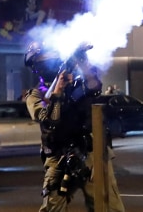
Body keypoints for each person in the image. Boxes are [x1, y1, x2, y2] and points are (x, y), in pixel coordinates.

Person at [24, 41, 125, 212]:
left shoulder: (76, 82)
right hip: (57, 156)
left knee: (108, 206)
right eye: (42, 59)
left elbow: (94, 87)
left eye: (50, 57)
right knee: (53, 207)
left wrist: (83, 62)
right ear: (35, 67)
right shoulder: (35, 95)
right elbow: (49, 121)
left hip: (89, 151)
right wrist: (57, 93)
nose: (47, 61)